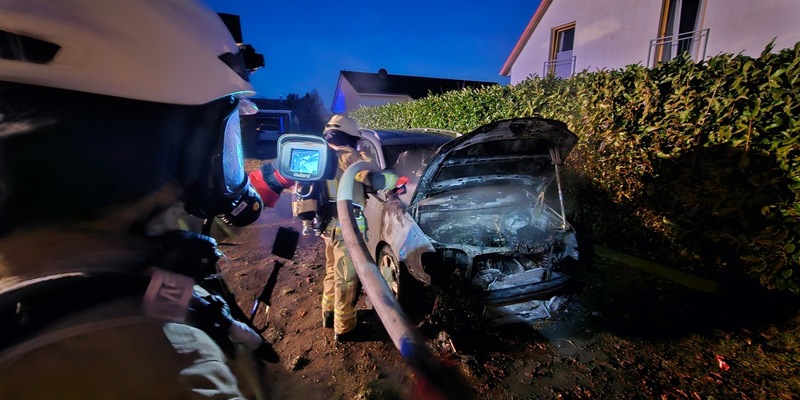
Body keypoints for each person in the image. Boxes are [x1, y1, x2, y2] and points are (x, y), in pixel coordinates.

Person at [0, 1, 293, 399]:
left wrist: (272, 179)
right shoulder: (164, 369)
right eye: (224, 132)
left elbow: (182, 221)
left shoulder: (81, 234)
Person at [296, 115, 399, 342]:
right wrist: (396, 177)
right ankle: (345, 328)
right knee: (347, 279)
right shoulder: (347, 156)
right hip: (346, 227)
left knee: (333, 271)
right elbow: (375, 181)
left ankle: (329, 314)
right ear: (351, 138)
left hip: (326, 226)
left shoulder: (320, 156)